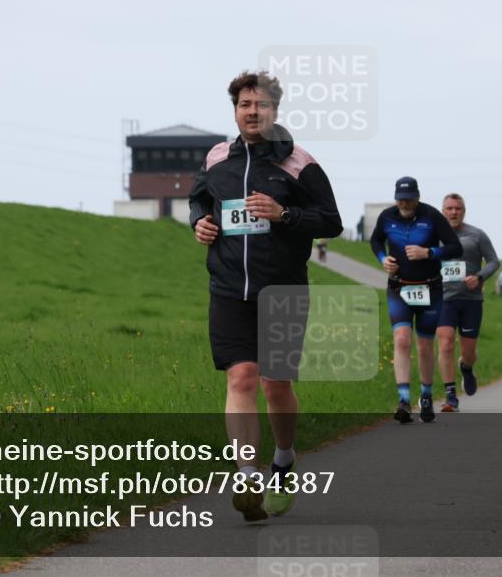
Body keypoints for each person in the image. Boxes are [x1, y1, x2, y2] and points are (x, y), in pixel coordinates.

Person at [189, 70, 343, 521]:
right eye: (244, 105)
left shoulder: (299, 163)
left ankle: (283, 459)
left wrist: (284, 214)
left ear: (275, 110)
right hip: (227, 288)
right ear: (235, 111)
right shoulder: (218, 157)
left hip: (282, 290)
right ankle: (247, 478)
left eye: (261, 105)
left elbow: (330, 221)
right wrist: (200, 222)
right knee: (241, 378)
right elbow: (199, 199)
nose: (252, 112)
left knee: (275, 385)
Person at [371, 177, 462, 423]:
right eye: (400, 199)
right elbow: (376, 240)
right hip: (399, 287)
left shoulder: (432, 216)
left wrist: (429, 253)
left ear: (417, 197)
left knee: (424, 345)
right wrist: (383, 259)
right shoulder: (386, 217)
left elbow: (455, 248)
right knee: (401, 340)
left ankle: (426, 395)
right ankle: (403, 400)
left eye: (409, 199)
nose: (404, 203)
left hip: (430, 289)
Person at [435, 193, 499, 411]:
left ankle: (466, 368)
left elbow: (493, 261)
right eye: (449, 208)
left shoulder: (477, 235)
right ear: (443, 211)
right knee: (445, 342)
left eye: (458, 208)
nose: (454, 212)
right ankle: (450, 395)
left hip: (471, 300)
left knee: (469, 353)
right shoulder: (433, 236)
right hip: (444, 300)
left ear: (464, 211)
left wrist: (480, 277)